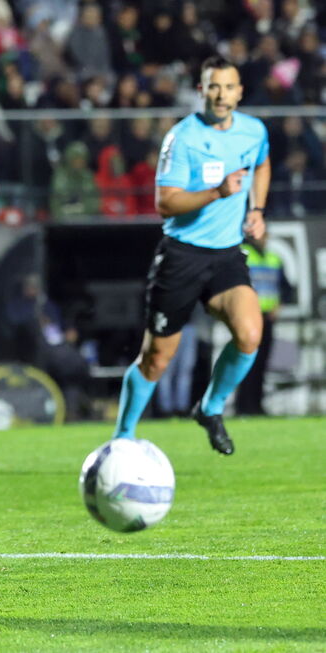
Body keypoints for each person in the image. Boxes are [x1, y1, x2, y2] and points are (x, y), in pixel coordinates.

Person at [111, 56, 270, 455]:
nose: (221, 94)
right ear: (201, 91)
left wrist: (256, 209)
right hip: (182, 255)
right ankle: (122, 438)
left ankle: (210, 407)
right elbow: (166, 203)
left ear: (240, 92)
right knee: (157, 358)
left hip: (227, 255)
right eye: (213, 86)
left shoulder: (253, 131)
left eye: (229, 87)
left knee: (250, 333)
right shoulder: (182, 138)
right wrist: (217, 192)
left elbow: (262, 163)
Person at [235, 235, 288, 415]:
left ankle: (256, 405)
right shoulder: (242, 254)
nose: (265, 239)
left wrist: (279, 305)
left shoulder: (273, 258)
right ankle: (243, 406)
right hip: (248, 318)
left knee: (262, 364)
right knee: (246, 363)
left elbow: (286, 287)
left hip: (268, 319)